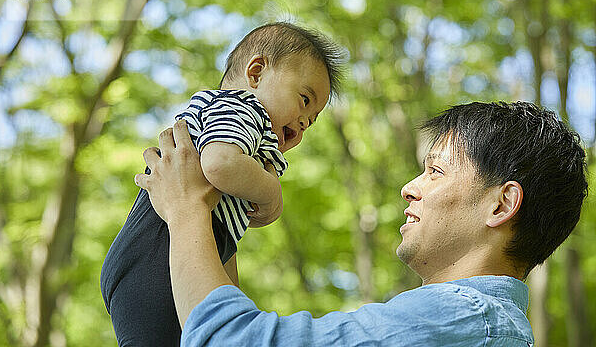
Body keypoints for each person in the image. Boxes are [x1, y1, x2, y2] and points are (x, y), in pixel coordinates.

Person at [135, 101, 588, 346]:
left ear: (501, 205)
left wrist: (187, 209)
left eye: (436, 171)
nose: (410, 188)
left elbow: (233, 342)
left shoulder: (462, 320)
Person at [100, 22, 344, 346]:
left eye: (311, 120)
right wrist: (271, 195)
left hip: (164, 252)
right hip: (156, 253)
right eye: (303, 100)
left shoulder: (251, 142)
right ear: (256, 73)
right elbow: (218, 164)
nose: (303, 122)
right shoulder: (240, 107)